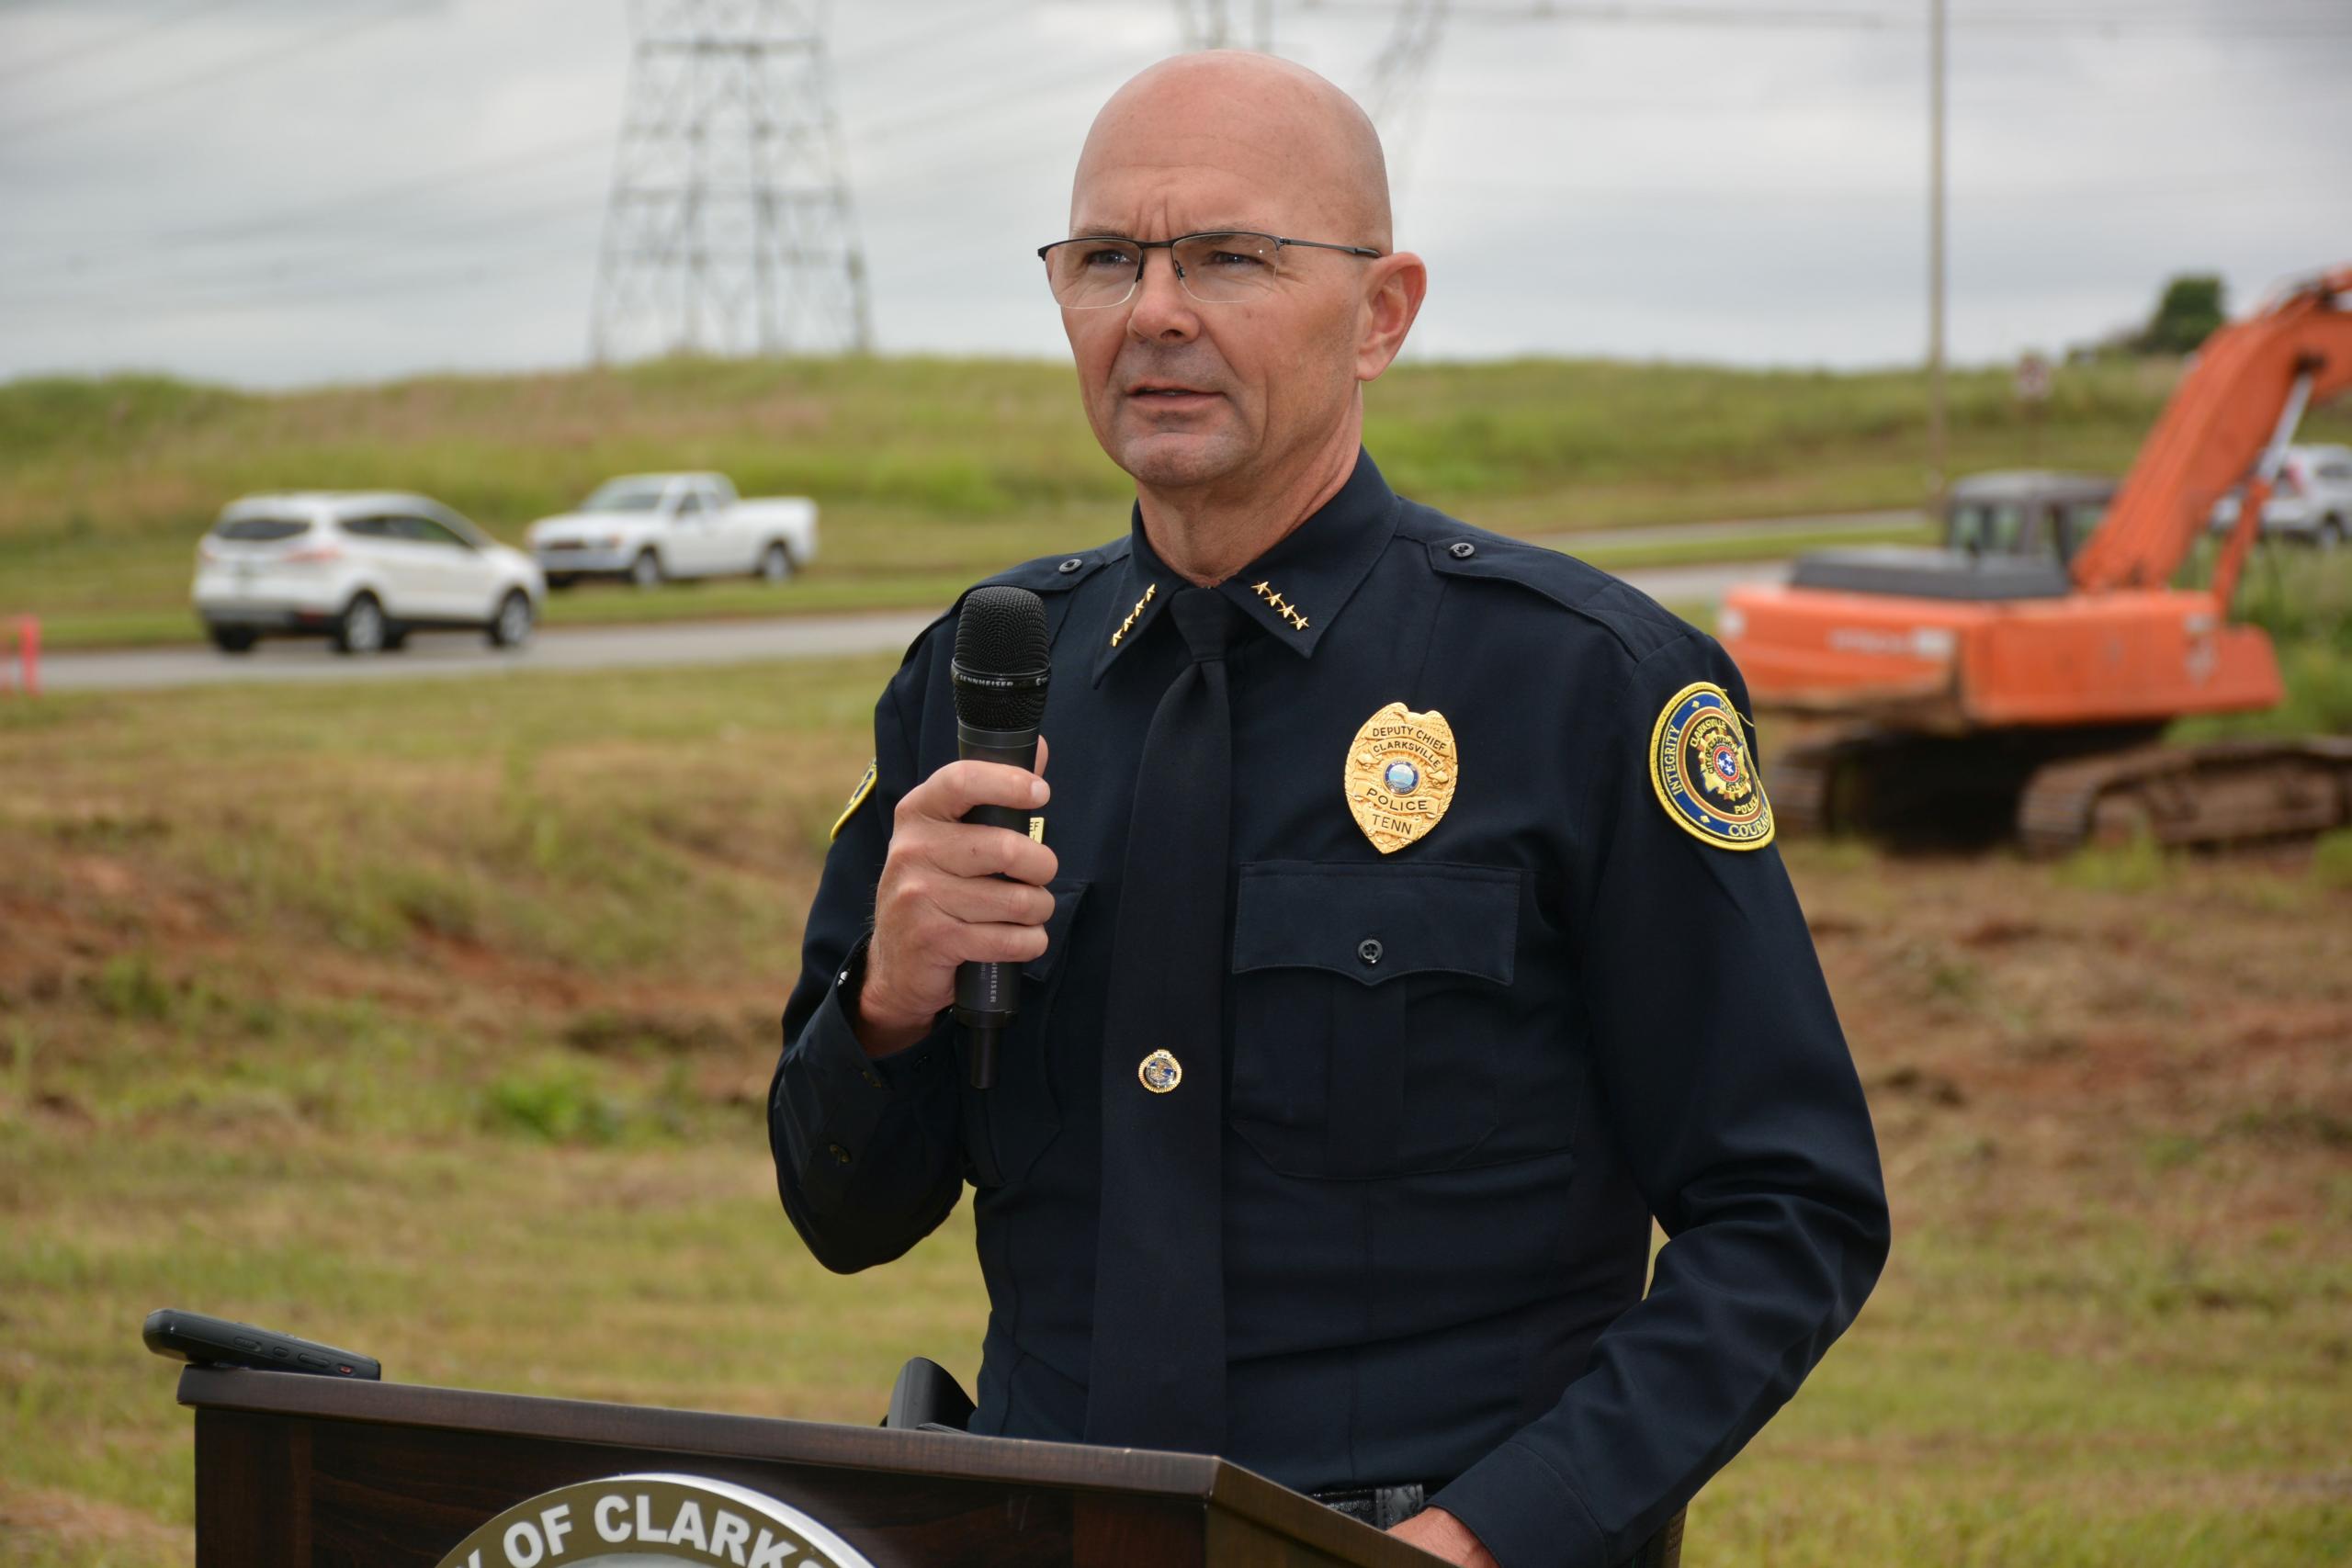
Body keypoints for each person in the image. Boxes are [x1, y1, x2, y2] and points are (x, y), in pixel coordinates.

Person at [770, 51, 1889, 1568]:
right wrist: (889, 1004)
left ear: (1383, 314)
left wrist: (1487, 1536)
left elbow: (1788, 1210)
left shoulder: (1585, 687)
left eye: (1230, 257)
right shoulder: (978, 684)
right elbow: (841, 1215)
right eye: (1106, 259)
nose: (1156, 312)